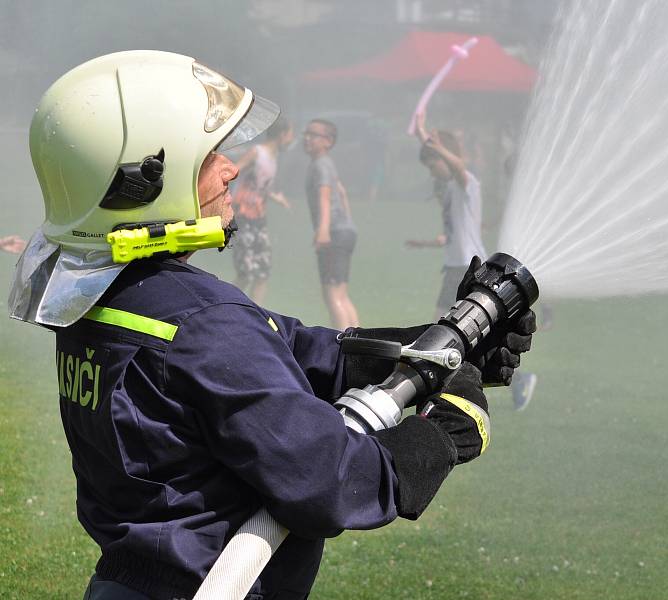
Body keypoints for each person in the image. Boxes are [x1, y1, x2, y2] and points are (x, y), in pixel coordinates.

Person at [7, 51, 536, 600]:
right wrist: (444, 431)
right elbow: (328, 479)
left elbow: (296, 348)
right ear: (145, 182)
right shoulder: (203, 322)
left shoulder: (103, 304)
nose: (232, 168)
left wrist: (439, 343)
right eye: (211, 154)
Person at [406, 111, 488, 318]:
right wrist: (421, 133)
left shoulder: (465, 183)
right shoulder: (452, 187)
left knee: (443, 323)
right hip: (457, 267)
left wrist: (438, 146)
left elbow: (458, 165)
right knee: (446, 323)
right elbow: (452, 236)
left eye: (433, 166)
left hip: (466, 267)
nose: (431, 172)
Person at [303, 118, 360, 329]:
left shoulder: (321, 164)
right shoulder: (326, 164)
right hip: (344, 231)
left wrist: (323, 229)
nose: (307, 138)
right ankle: (360, 341)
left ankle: (345, 347)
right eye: (306, 134)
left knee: (332, 295)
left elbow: (325, 195)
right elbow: (342, 192)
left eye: (313, 135)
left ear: (328, 141)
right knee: (341, 295)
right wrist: (348, 222)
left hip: (334, 233)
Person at [231, 115, 293, 305]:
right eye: (291, 134)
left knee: (263, 271)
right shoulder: (257, 152)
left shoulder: (274, 158)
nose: (292, 139)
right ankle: (228, 306)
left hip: (259, 220)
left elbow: (261, 186)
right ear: (282, 135)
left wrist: (276, 197)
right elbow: (233, 171)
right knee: (246, 273)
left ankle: (258, 313)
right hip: (243, 219)